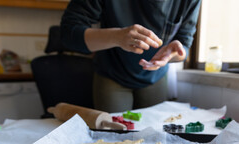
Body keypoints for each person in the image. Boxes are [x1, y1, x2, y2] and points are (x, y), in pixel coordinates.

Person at [61, 0, 201, 113]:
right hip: (112, 73)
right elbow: (69, 34)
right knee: (112, 138)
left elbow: (184, 44)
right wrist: (117, 37)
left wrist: (172, 54)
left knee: (154, 138)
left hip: (155, 77)